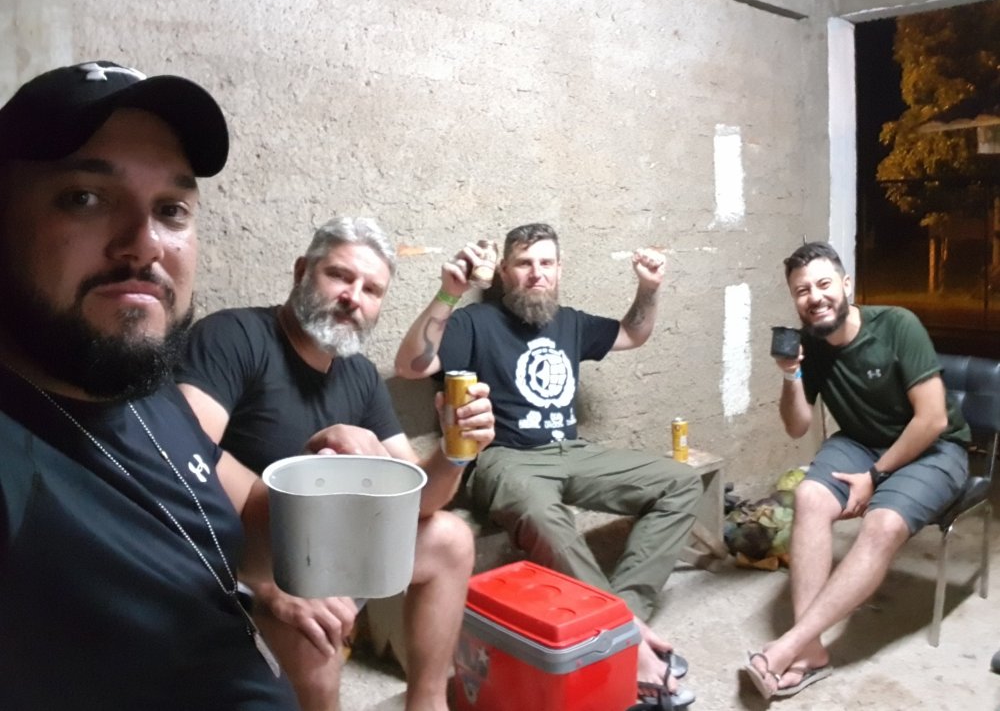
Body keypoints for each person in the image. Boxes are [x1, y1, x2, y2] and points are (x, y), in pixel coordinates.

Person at [0, 60, 297, 708]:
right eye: (84, 197)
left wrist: (323, 483)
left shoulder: (141, 382)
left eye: (171, 210)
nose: (145, 244)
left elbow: (244, 519)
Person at [175, 216, 494, 711]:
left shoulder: (359, 376)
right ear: (302, 271)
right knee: (317, 636)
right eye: (340, 276)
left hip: (333, 555)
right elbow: (180, 458)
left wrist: (457, 450)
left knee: (450, 539)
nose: (353, 297)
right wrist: (267, 584)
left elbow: (421, 502)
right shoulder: (234, 336)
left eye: (371, 289)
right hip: (242, 562)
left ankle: (428, 702)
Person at [394, 222, 702, 706]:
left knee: (681, 483)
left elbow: (633, 333)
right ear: (504, 271)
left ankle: (623, 623)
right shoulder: (476, 322)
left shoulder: (571, 322)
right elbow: (411, 365)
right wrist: (448, 293)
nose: (536, 273)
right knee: (541, 514)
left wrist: (648, 288)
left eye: (546, 263)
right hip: (504, 458)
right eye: (524, 263)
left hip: (572, 451)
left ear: (559, 269)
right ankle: (628, 646)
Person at [744, 241, 970, 699]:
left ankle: (790, 645)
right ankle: (810, 651)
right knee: (809, 496)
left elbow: (932, 420)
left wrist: (876, 476)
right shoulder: (809, 344)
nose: (815, 297)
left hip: (934, 448)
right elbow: (796, 426)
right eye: (802, 290)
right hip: (860, 441)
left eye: (824, 284)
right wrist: (790, 374)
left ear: (846, 285)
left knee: (882, 524)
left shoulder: (897, 325)